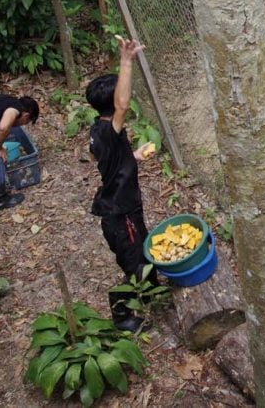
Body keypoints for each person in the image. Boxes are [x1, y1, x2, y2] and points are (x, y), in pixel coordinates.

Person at [86, 36, 158, 333]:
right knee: (137, 266)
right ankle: (121, 312)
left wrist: (134, 156)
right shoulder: (109, 127)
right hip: (120, 213)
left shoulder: (99, 131)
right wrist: (127, 61)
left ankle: (151, 289)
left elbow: (107, 161)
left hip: (121, 208)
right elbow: (123, 104)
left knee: (143, 255)